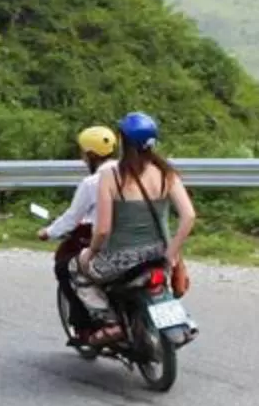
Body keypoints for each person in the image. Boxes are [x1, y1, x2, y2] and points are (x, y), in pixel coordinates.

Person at [79, 112, 198, 346]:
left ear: (123, 141)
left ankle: (110, 322)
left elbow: (102, 230)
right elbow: (189, 216)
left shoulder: (110, 176)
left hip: (120, 261)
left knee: (77, 268)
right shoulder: (165, 173)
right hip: (158, 257)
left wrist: (90, 253)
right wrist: (170, 254)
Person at [38, 125, 118, 342]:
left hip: (105, 242)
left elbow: (73, 217)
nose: (83, 159)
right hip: (137, 241)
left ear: (91, 155)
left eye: (84, 154)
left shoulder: (93, 183)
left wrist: (49, 232)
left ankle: (86, 326)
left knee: (65, 267)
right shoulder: (132, 174)